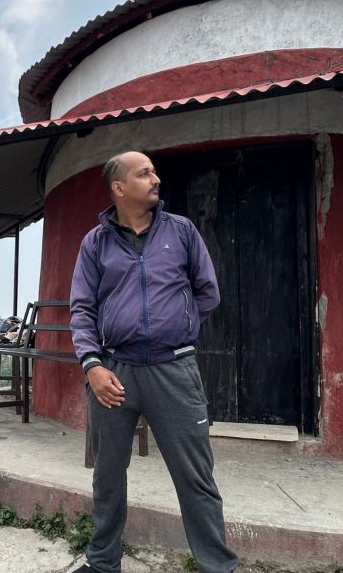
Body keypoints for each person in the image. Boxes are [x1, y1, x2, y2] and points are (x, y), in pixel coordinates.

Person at [69, 151, 239, 573]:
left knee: (195, 476)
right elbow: (81, 309)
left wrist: (174, 326)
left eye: (154, 171)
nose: (155, 178)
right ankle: (103, 562)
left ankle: (216, 565)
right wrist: (92, 365)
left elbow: (208, 292)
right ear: (119, 187)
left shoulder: (180, 231)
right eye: (144, 173)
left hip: (173, 371)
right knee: (108, 475)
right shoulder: (95, 243)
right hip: (114, 372)